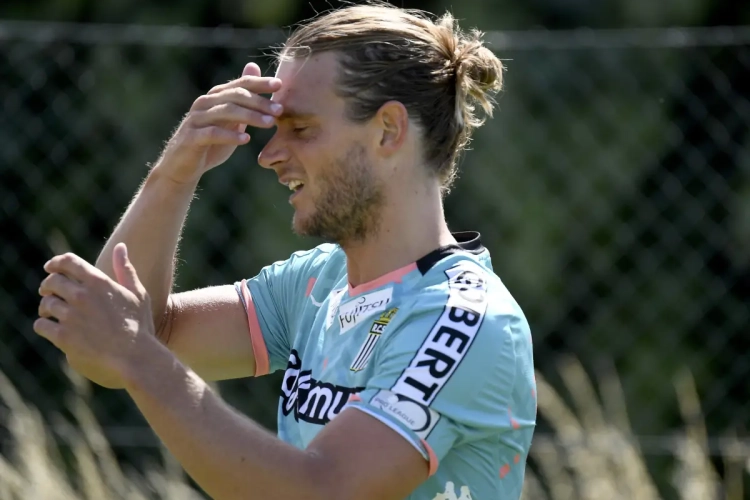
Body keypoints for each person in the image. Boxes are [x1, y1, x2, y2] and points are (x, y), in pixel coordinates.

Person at [35, 4, 536, 499]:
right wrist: (175, 172)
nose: (269, 155)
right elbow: (124, 341)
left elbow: (322, 490)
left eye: (300, 128)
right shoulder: (316, 282)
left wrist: (140, 356)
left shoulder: (464, 319)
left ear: (388, 129)